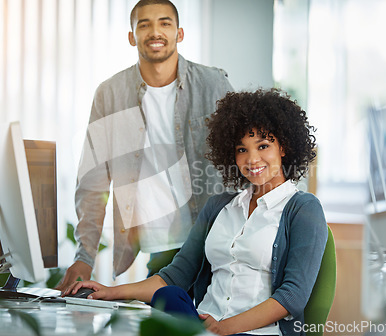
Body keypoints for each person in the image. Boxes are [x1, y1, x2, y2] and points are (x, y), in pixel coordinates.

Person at [62, 88, 328, 336]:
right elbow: (176, 275)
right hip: (201, 326)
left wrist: (223, 329)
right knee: (169, 298)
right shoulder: (219, 207)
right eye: (241, 150)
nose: (252, 160)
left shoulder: (303, 209)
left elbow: (292, 296)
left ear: (283, 147)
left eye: (263, 146)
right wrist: (109, 292)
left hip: (254, 332)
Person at [56, 0, 233, 291]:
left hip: (215, 243)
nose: (155, 32)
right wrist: (84, 255)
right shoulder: (110, 95)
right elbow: (93, 182)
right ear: (131, 37)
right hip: (161, 251)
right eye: (144, 24)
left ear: (180, 33)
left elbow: (242, 162)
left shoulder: (213, 84)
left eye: (165, 23)